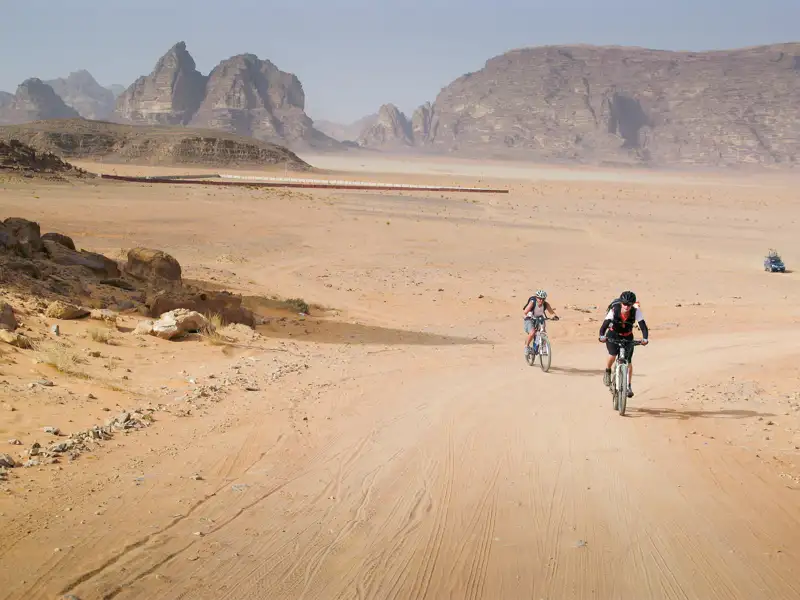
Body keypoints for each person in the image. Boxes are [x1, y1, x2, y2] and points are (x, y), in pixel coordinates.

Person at [599, 290, 649, 397]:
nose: (626, 307)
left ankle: (628, 386)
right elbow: (605, 324)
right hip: (613, 335)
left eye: (629, 305)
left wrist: (645, 338)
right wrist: (602, 335)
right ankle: (608, 371)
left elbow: (643, 326)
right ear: (621, 303)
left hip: (628, 336)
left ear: (632, 304)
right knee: (612, 355)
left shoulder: (636, 311)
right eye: (625, 304)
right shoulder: (614, 309)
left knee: (628, 362)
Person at [523, 290, 558, 356]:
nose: (541, 301)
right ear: (536, 298)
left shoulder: (546, 304)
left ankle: (543, 347)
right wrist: (527, 316)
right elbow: (525, 312)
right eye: (540, 299)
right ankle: (526, 347)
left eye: (543, 299)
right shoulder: (532, 302)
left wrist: (554, 316)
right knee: (532, 332)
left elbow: (552, 312)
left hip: (539, 318)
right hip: (529, 318)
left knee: (543, 332)